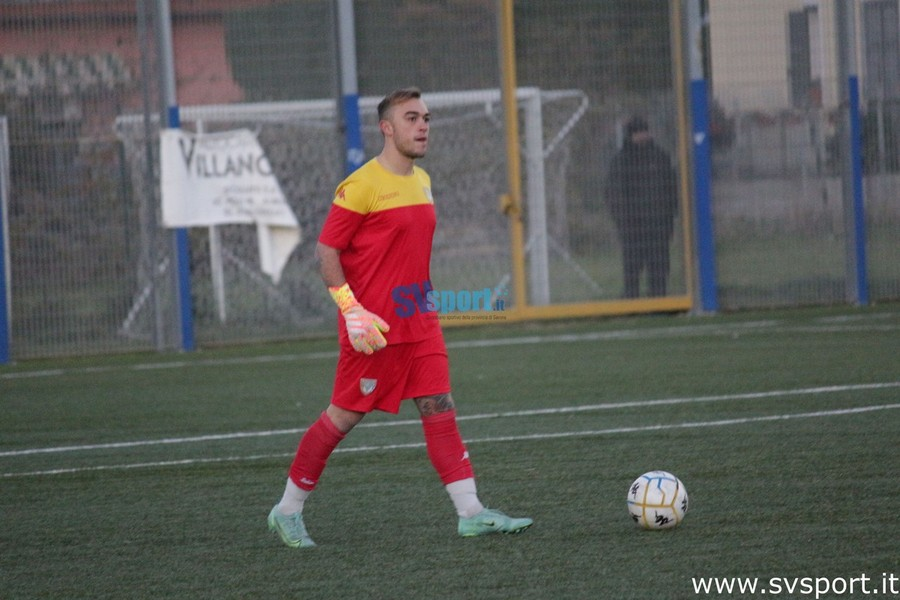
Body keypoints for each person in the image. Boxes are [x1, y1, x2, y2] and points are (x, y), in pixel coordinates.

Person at [267, 87, 533, 548]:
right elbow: (326, 251)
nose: (424, 125)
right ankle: (287, 510)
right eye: (412, 118)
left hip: (420, 318)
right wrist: (351, 310)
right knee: (341, 418)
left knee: (439, 406)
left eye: (426, 117)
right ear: (387, 128)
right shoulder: (360, 185)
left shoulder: (423, 180)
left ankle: (471, 511)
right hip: (374, 329)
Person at [604, 116, 679, 298]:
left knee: (659, 268)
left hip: (658, 226)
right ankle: (632, 303)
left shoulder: (660, 157)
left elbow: (671, 189)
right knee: (632, 269)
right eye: (638, 133)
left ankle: (659, 301)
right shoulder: (621, 161)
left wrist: (669, 218)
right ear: (630, 135)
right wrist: (623, 222)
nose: (642, 136)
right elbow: (613, 194)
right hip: (632, 228)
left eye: (644, 131)